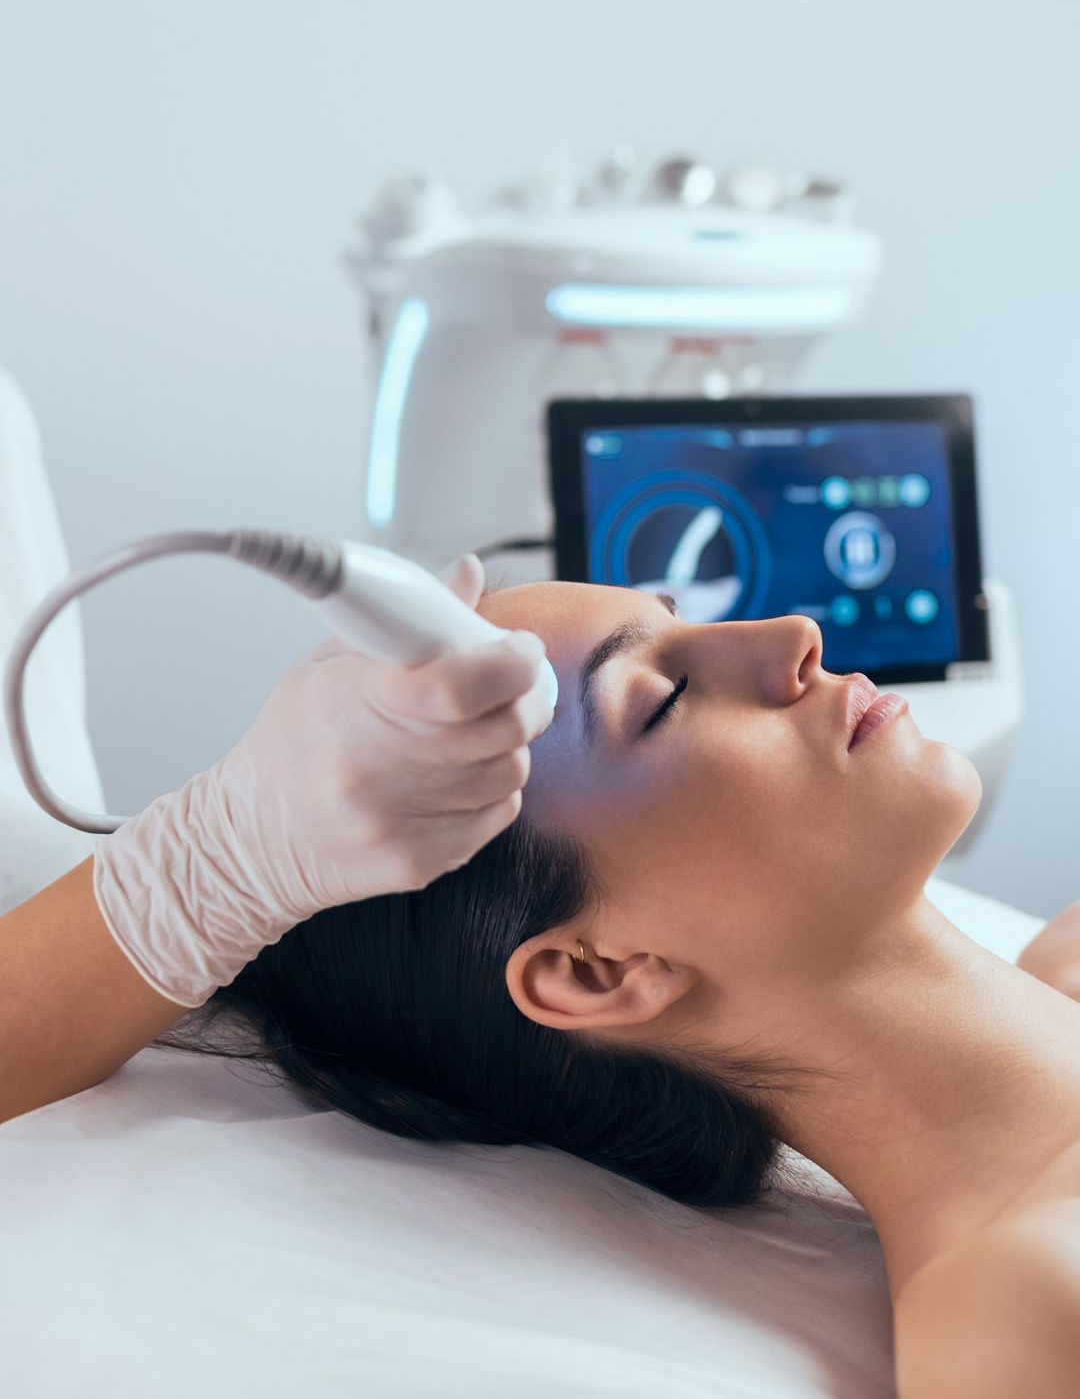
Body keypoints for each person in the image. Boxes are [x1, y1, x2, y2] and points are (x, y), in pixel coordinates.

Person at [3, 578, 1079, 1395]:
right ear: (598, 973)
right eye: (660, 700)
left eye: (678, 617)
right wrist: (206, 867)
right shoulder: (1026, 1307)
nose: (791, 636)